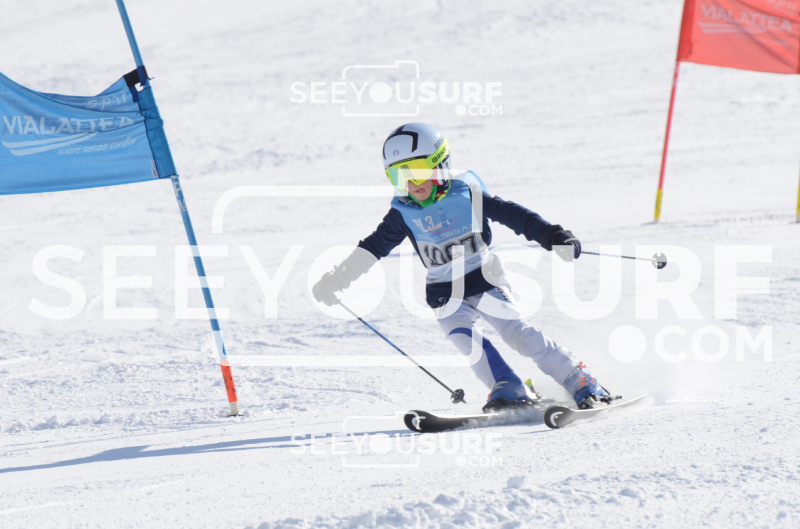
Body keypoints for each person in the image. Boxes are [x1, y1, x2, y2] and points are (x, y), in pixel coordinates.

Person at [312, 123, 614, 411]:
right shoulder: (402, 212)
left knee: (517, 334)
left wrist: (553, 235)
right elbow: (372, 247)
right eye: (399, 175)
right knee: (466, 341)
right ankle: (507, 385)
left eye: (418, 170)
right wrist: (338, 279)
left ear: (440, 165)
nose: (412, 184)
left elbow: (513, 215)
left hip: (484, 280)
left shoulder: (467, 195)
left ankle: (579, 379)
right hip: (443, 291)